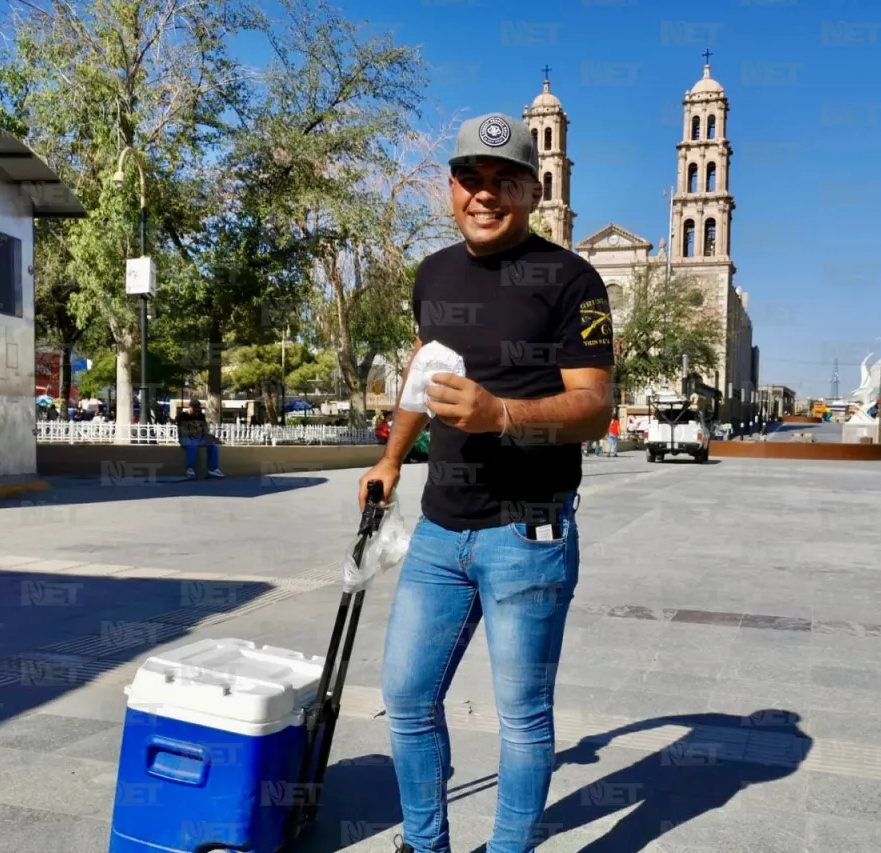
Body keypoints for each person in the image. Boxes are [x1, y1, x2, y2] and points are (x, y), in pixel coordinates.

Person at [357, 112, 614, 853]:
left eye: (506, 180)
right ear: (450, 189)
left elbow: (595, 406)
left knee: (523, 716)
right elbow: (421, 373)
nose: (485, 194)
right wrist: (391, 457)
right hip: (441, 529)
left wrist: (502, 412)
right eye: (471, 178)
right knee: (405, 696)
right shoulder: (433, 273)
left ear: (534, 190)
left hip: (526, 533)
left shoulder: (572, 280)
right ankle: (426, 843)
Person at [175, 399, 225, 479]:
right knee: (192, 444)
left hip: (198, 438)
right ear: (189, 408)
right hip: (185, 438)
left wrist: (211, 438)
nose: (196, 412)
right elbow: (181, 430)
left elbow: (204, 430)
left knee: (212, 445)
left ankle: (213, 469)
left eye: (197, 410)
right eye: (194, 409)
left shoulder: (200, 416)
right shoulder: (182, 416)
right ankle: (190, 468)